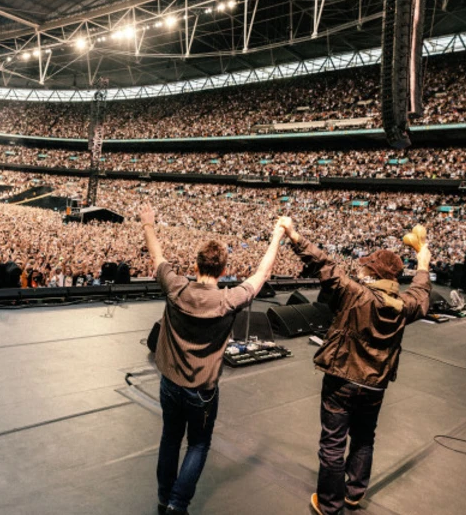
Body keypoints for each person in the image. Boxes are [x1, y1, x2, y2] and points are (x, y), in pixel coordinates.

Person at [140, 204, 288, 515]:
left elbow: (157, 256)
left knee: (170, 439)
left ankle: (164, 498)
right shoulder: (228, 300)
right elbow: (262, 274)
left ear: (195, 265)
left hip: (169, 383)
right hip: (202, 392)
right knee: (198, 444)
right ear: (223, 270)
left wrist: (149, 224)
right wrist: (277, 235)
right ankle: (177, 505)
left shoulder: (176, 287)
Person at [279, 218, 431, 514]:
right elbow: (421, 292)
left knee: (333, 444)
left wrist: (295, 236)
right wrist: (423, 262)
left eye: (364, 267)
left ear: (373, 274)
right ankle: (354, 493)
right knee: (364, 438)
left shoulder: (355, 294)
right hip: (375, 385)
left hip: (343, 380)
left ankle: (329, 505)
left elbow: (323, 264)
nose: (359, 269)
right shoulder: (404, 306)